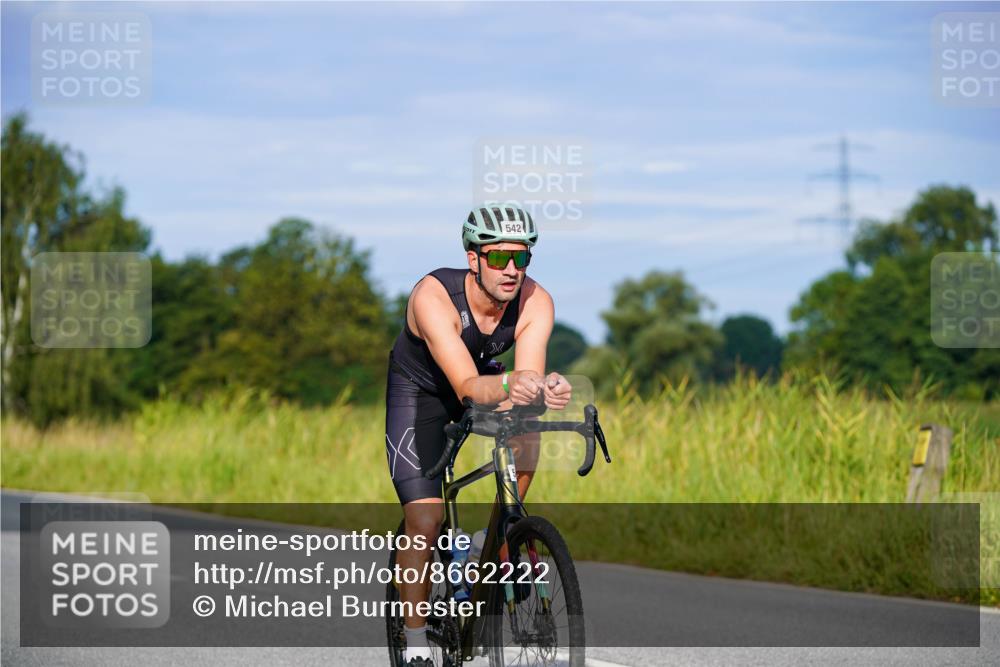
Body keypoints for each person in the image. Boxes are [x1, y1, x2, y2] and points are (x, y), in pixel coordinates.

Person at [385, 205, 572, 666]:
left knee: (528, 419)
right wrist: (513, 384)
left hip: (485, 378)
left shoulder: (536, 301)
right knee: (425, 521)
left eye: (522, 258)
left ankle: (497, 544)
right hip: (423, 394)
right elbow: (468, 388)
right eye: (498, 258)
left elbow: (523, 378)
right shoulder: (434, 296)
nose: (511, 270)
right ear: (473, 259)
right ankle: (414, 645)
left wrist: (543, 388)